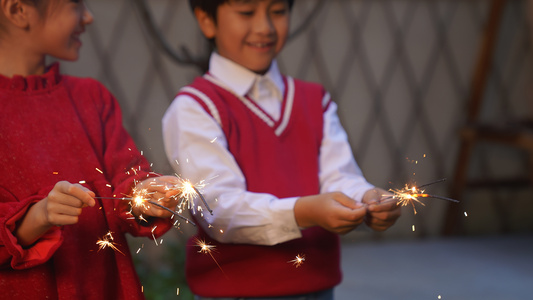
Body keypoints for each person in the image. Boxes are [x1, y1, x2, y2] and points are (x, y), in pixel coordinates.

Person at [162, 0, 401, 299]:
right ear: (206, 20)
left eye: (277, 11)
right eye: (247, 13)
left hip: (318, 287)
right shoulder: (195, 109)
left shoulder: (315, 101)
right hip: (235, 292)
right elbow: (218, 210)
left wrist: (366, 198)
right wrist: (305, 212)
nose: (265, 27)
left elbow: (339, 177)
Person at [0, 0, 180, 299]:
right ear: (19, 10)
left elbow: (127, 185)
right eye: (74, 5)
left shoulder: (92, 99)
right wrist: (37, 217)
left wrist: (146, 197)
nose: (89, 17)